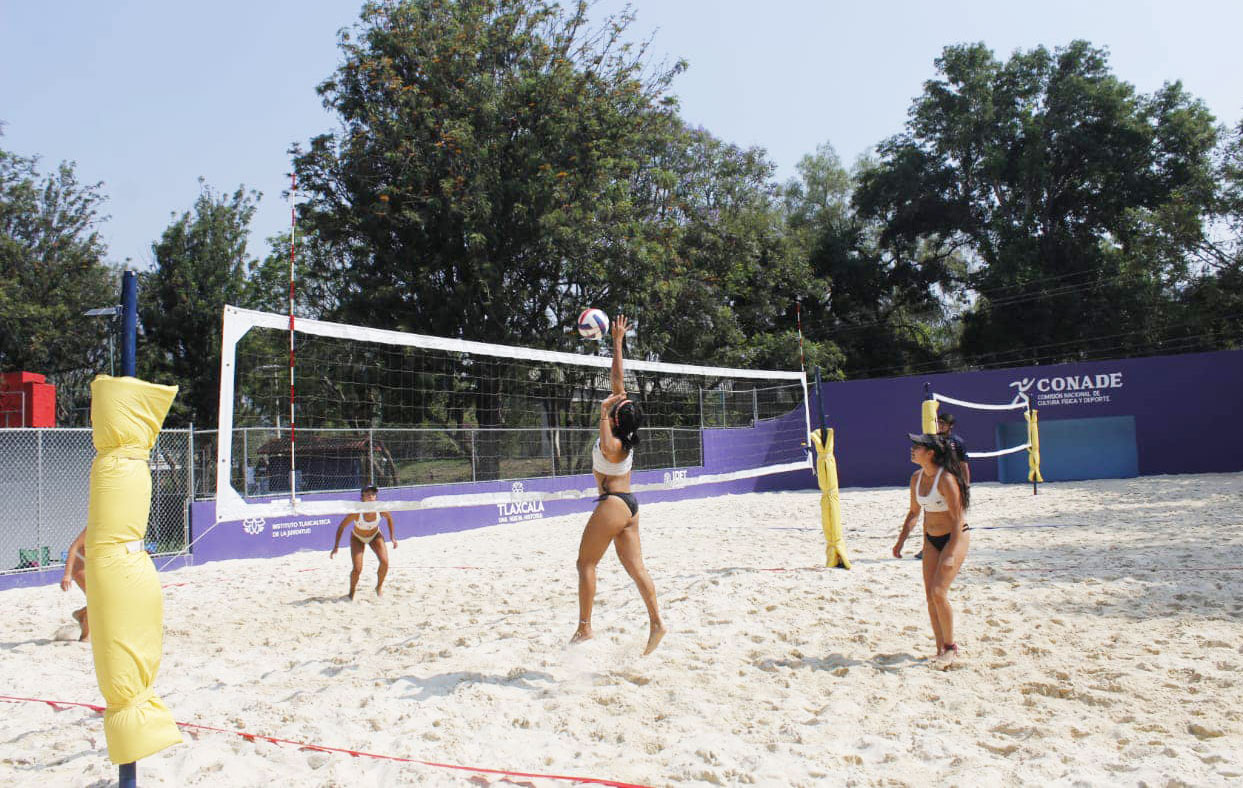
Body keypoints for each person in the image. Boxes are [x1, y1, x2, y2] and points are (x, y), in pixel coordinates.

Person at [571, 314, 666, 656]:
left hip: (612, 504)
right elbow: (617, 382)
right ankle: (656, 623)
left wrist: (601, 411)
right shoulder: (624, 434)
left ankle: (584, 629)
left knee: (586, 564)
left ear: (614, 418)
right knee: (636, 568)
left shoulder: (611, 443)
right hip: (629, 506)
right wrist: (616, 342)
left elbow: (607, 418)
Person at [893, 433, 971, 669]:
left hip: (955, 537)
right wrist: (900, 542)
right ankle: (940, 649)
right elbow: (914, 513)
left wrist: (950, 553)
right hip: (931, 539)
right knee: (930, 596)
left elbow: (958, 519)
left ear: (931, 453)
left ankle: (950, 647)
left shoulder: (946, 479)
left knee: (939, 592)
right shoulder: (916, 478)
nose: (912, 450)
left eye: (917, 447)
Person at [914, 412, 970, 559]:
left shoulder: (957, 442)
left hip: (951, 481)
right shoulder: (933, 439)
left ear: (950, 426)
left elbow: (963, 465)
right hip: (935, 481)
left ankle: (954, 545)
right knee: (929, 515)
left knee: (954, 515)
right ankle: (926, 547)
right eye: (938, 422)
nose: (940, 425)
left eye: (943, 423)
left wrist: (966, 483)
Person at [331, 485, 397, 600]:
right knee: (357, 568)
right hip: (357, 538)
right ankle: (351, 593)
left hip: (375, 536)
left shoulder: (380, 509)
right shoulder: (357, 512)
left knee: (385, 562)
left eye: (373, 494)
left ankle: (379, 587)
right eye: (368, 494)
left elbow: (390, 519)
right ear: (362, 497)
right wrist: (336, 546)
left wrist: (392, 537)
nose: (371, 497)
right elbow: (341, 526)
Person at [60, 527, 89, 641]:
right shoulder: (95, 523)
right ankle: (85, 636)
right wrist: (67, 575)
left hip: (97, 567)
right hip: (81, 567)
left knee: (104, 601)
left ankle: (82, 614)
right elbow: (74, 547)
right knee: (97, 600)